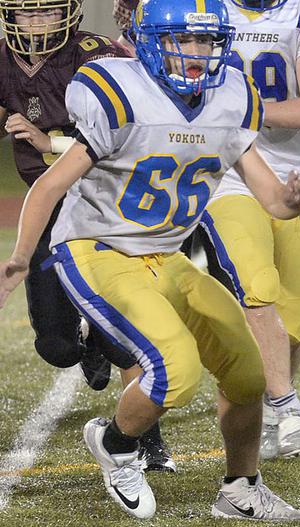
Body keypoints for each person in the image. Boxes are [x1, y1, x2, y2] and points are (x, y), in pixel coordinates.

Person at [0, 0, 300, 521]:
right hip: (98, 248)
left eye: (208, 41)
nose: (197, 54)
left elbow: (272, 198)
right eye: (184, 40)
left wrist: (293, 200)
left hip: (164, 255)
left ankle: (241, 489)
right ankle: (116, 443)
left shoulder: (231, 96)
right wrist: (16, 262)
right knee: (174, 370)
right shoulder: (118, 91)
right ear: (149, 42)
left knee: (247, 372)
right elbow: (52, 182)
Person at [0, 0, 177, 472]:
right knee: (54, 347)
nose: (36, 22)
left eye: (45, 12)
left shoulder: (96, 56)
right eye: (26, 13)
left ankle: (144, 440)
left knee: (127, 333)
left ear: (71, 13)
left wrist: (48, 142)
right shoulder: (4, 61)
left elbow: (124, 134)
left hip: (102, 206)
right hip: (48, 206)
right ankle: (88, 345)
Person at [189, 0, 300, 460]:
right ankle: (285, 405)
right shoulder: (204, 7)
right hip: (225, 171)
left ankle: (273, 411)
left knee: (295, 313)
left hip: (293, 169)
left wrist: (242, 109)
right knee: (255, 285)